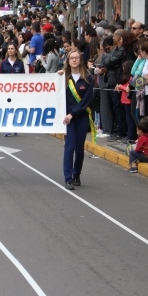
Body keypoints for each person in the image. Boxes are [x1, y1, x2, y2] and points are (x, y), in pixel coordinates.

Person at [59, 48, 93, 190]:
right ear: (68, 60)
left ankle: (76, 173)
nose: (74, 60)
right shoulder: (63, 77)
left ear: (80, 60)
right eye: (71, 58)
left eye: (76, 58)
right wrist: (55, 76)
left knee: (79, 149)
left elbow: (86, 100)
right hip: (68, 118)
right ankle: (68, 178)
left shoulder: (88, 78)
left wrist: (73, 113)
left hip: (81, 116)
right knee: (69, 147)